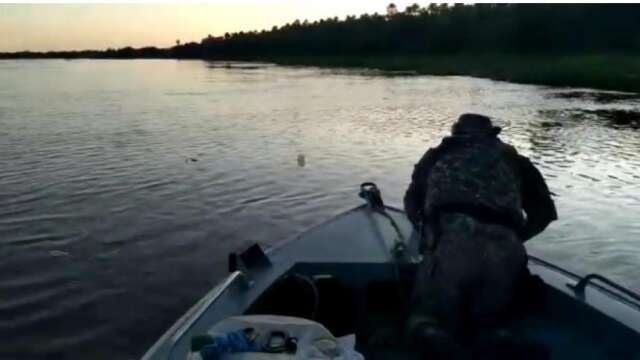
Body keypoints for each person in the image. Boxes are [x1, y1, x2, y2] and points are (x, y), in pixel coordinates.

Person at [403, 113, 557, 357]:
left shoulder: (436, 156)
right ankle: (496, 337)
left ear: (455, 132)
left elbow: (412, 202)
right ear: (492, 134)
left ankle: (432, 333)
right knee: (493, 322)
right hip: (505, 252)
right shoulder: (515, 159)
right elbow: (545, 213)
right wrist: (516, 238)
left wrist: (428, 235)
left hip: (453, 247)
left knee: (426, 316)